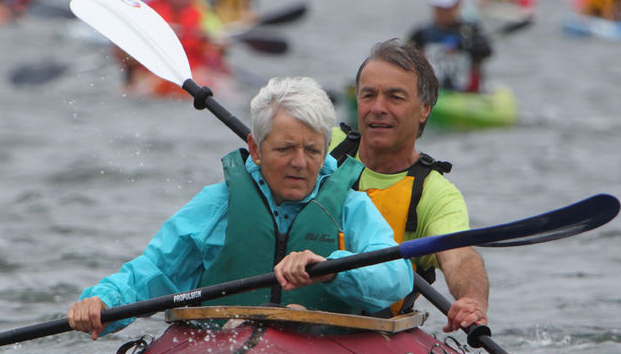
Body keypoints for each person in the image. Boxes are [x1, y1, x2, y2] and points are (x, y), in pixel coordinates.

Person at [68, 77, 414, 339]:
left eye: (312, 150)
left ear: (326, 150)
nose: (300, 163)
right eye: (285, 149)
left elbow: (396, 276)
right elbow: (154, 271)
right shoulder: (217, 205)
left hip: (327, 351)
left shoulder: (352, 208)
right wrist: (103, 301)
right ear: (256, 147)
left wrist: (333, 268)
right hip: (225, 343)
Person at [331, 40, 489, 334]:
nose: (378, 108)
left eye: (395, 97)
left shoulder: (435, 194)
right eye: (368, 95)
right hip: (292, 312)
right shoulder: (318, 147)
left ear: (424, 109)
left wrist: (471, 299)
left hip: (374, 331)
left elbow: (460, 257)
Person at [408, 0, 493, 94]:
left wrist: (463, 45)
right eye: (438, 7)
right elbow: (404, 60)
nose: (441, 11)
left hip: (466, 95)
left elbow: (487, 51)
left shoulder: (470, 31)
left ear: (458, 4)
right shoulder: (421, 34)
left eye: (446, 7)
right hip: (434, 93)